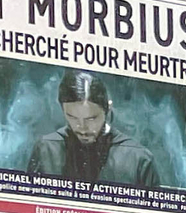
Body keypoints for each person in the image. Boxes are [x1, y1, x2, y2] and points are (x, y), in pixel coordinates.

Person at [24, 72, 162, 188]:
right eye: (72, 117)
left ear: (107, 109)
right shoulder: (46, 149)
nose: (82, 127)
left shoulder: (137, 159)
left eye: (91, 119)